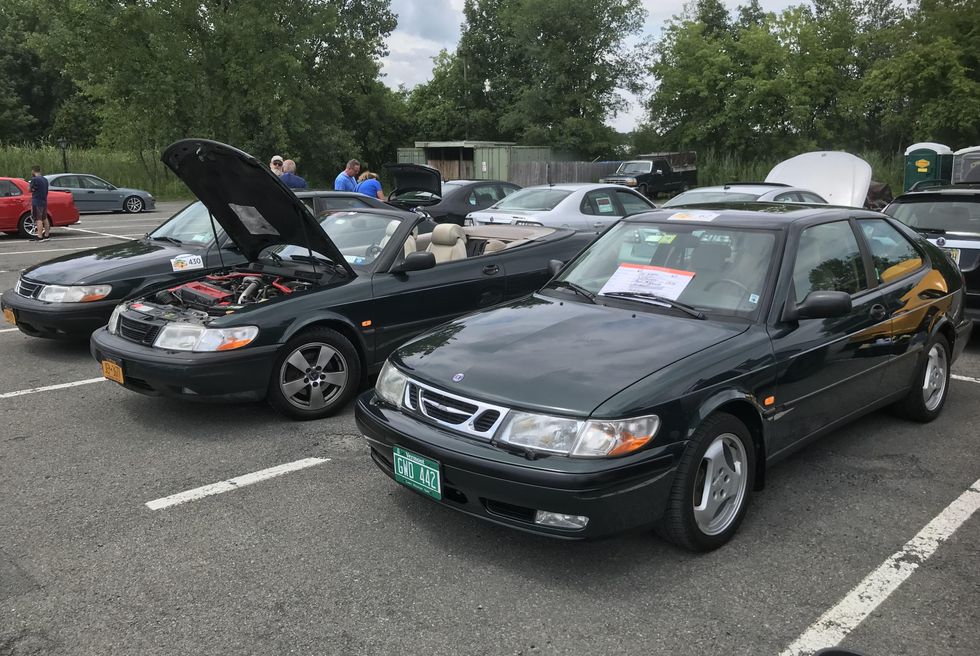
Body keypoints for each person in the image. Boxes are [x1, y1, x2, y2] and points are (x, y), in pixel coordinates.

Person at [28, 165, 50, 241]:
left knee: (38, 219)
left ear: (33, 171)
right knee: (45, 218)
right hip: (44, 201)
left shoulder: (34, 179)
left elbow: (30, 189)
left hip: (37, 201)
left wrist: (30, 186)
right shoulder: (45, 179)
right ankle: (47, 235)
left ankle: (39, 236)